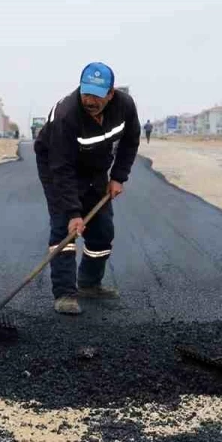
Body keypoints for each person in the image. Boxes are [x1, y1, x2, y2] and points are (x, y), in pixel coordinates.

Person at [33, 62, 141, 315]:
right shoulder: (66, 115)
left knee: (102, 230)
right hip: (56, 165)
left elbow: (130, 141)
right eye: (86, 93)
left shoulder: (125, 106)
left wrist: (118, 177)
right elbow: (61, 168)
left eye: (97, 95)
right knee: (65, 231)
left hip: (96, 166)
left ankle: (90, 283)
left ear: (111, 93)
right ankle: (65, 294)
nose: (90, 100)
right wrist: (73, 213)